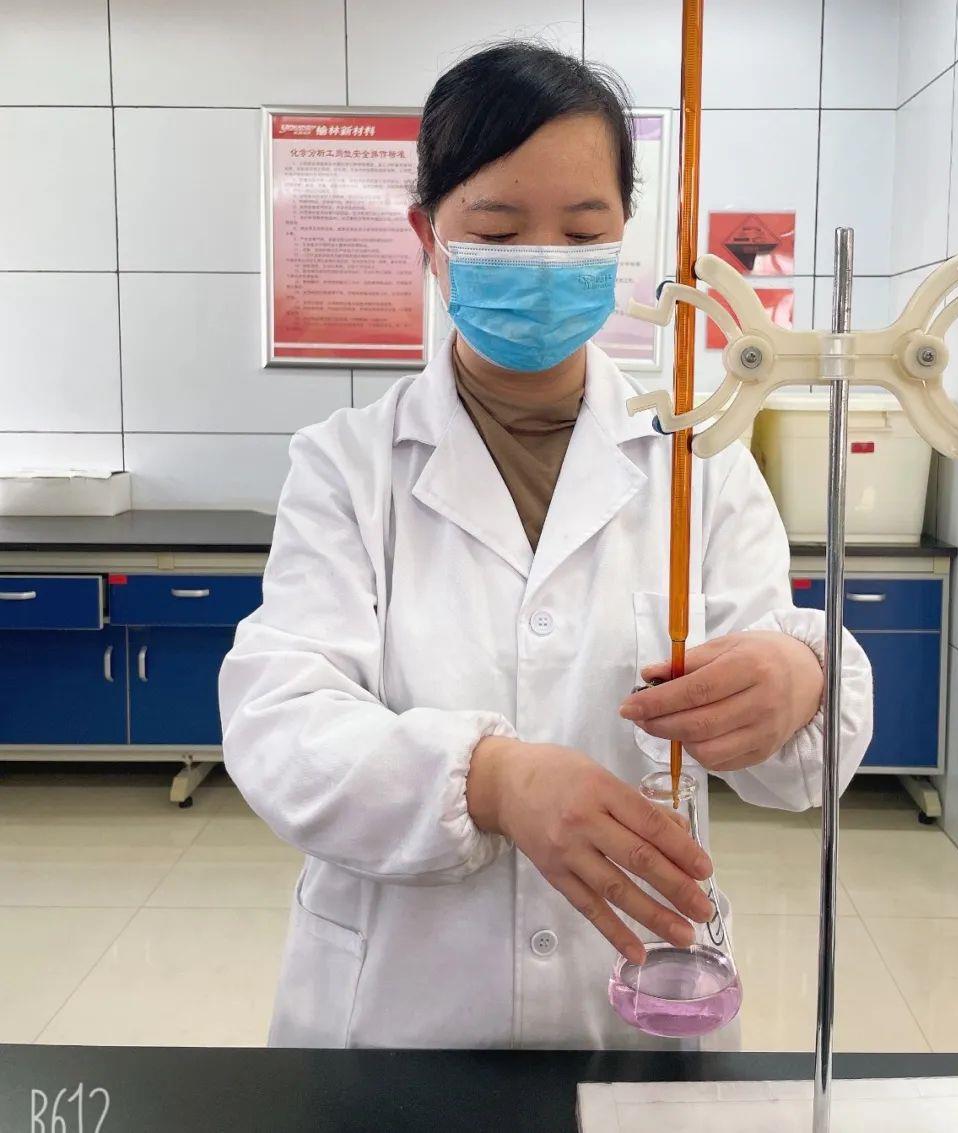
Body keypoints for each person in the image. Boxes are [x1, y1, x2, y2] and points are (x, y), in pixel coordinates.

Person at [219, 42, 873, 1051]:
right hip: (396, 1016)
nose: (540, 257)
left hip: (639, 1011)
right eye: (496, 230)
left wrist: (799, 678)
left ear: (621, 240)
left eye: (580, 231)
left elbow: (788, 770)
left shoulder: (697, 460)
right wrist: (489, 780)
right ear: (428, 235)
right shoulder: (347, 466)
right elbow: (280, 722)